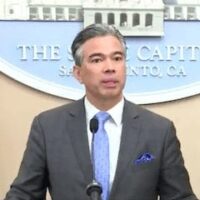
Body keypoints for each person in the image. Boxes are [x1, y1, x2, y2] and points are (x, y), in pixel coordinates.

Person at [5, 23, 198, 200]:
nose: (110, 68)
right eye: (97, 60)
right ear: (78, 73)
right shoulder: (48, 127)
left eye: (117, 58)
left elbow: (180, 197)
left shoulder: (158, 130)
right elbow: (24, 194)